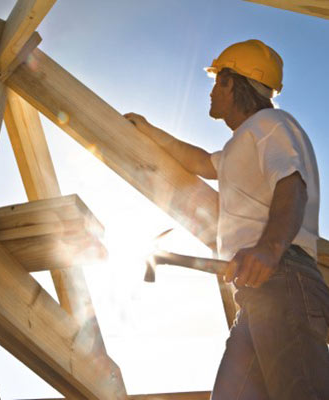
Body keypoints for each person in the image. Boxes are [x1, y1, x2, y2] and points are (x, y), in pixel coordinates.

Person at [124, 39, 329, 400]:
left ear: (230, 82)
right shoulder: (244, 142)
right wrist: (148, 130)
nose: (211, 92)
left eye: (216, 80)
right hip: (259, 294)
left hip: (283, 279)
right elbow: (203, 162)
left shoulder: (271, 124)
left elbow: (292, 183)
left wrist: (269, 248)